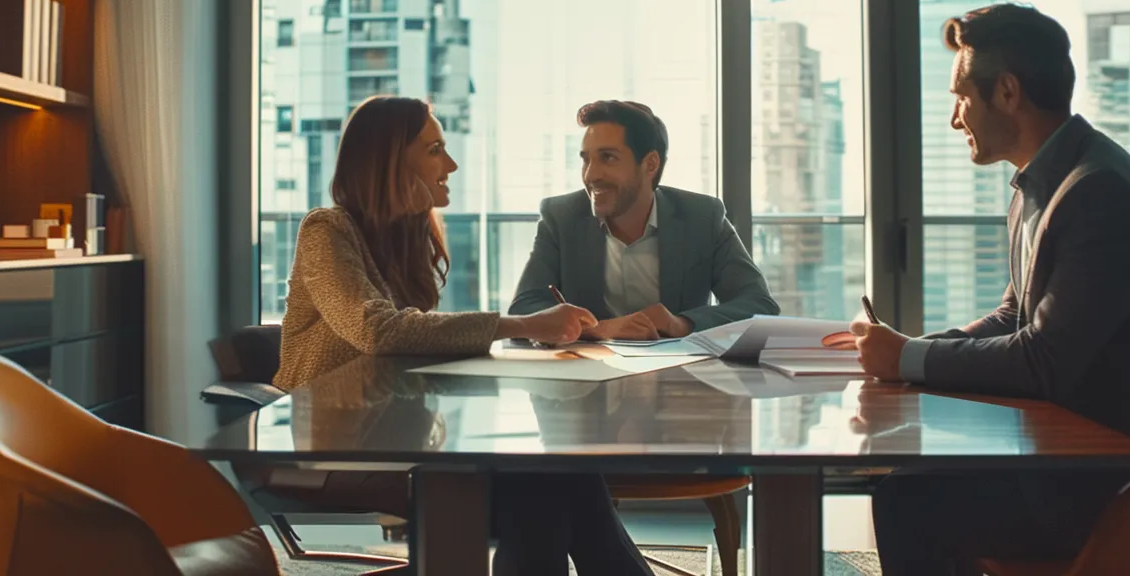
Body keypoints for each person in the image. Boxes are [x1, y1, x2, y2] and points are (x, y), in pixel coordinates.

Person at [849, 4, 1130, 575]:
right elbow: (1013, 315)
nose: (955, 119)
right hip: (1072, 446)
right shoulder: (1043, 185)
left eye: (961, 97)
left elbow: (1044, 359)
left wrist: (908, 357)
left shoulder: (1101, 196)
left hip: (1123, 480)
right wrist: (910, 352)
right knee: (909, 478)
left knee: (908, 500)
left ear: (1006, 92)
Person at [274, 95, 653, 576]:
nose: (450, 164)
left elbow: (415, 345)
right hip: (336, 445)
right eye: (434, 150)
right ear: (391, 160)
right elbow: (377, 330)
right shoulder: (326, 231)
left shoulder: (403, 238)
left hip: (394, 431)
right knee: (544, 486)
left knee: (554, 474)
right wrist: (523, 325)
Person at [509, 100, 779, 340]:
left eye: (608, 158)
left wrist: (682, 323)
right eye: (586, 160)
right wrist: (601, 328)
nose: (591, 175)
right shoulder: (561, 216)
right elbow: (524, 309)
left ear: (650, 164)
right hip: (588, 382)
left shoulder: (701, 216)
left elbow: (758, 305)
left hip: (681, 383)